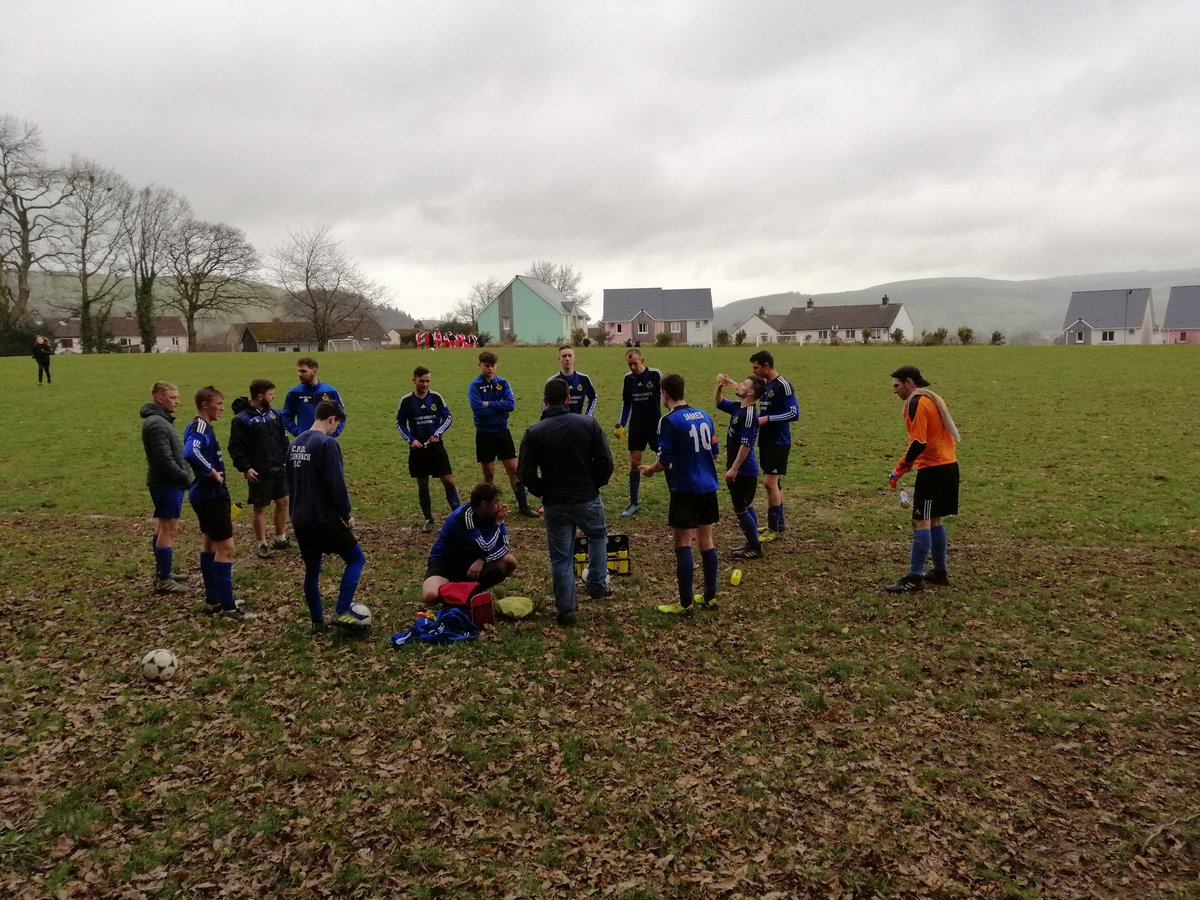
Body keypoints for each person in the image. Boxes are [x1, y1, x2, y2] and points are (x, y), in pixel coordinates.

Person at [517, 378, 614, 626]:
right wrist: (596, 484)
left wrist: (543, 491)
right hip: (587, 496)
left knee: (561, 557)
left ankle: (566, 610)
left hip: (555, 501)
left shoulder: (534, 432)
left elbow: (525, 473)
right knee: (597, 536)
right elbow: (606, 461)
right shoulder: (588, 423)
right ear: (569, 399)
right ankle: (597, 584)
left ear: (545, 402)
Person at [639, 374, 721, 614]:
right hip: (708, 487)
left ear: (664, 393)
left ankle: (685, 603)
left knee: (683, 543)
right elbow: (714, 453)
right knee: (706, 542)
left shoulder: (669, 421)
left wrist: (650, 470)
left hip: (685, 489)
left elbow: (664, 461)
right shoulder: (704, 415)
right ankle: (710, 597)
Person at [287, 400, 368, 631]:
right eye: (337, 424)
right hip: (323, 518)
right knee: (356, 559)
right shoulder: (327, 444)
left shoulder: (295, 443)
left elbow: (290, 480)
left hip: (300, 518)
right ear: (331, 419)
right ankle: (342, 610)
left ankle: (317, 622)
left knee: (312, 569)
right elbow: (336, 483)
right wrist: (346, 513)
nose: (336, 429)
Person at [885, 365, 961, 593]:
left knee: (921, 520)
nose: (894, 391)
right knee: (935, 519)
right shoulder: (933, 398)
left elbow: (918, 443)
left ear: (909, 382)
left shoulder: (917, 403)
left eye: (897, 386)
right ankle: (939, 572)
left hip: (934, 471)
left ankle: (914, 578)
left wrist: (899, 470)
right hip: (949, 466)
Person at [183, 385, 255, 620]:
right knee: (226, 548)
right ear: (205, 405)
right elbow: (190, 452)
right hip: (210, 496)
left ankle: (214, 599)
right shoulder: (200, 426)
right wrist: (212, 471)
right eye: (219, 404)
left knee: (209, 545)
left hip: (204, 496)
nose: (222, 408)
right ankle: (228, 607)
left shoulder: (199, 426)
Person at [421, 482, 517, 604]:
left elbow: (504, 545)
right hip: (446, 562)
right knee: (430, 596)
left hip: (471, 562)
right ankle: (453, 593)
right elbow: (485, 546)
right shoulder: (465, 518)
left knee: (508, 562)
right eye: (496, 502)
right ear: (484, 504)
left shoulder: (493, 514)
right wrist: (497, 523)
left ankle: (469, 593)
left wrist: (483, 560)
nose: (499, 506)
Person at [468, 351, 538, 517]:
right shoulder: (474, 386)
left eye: (493, 365)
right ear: (480, 365)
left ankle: (523, 505)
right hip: (484, 434)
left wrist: (488, 404)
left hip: (502, 432)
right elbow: (478, 409)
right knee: (489, 473)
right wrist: (498, 404)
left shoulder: (503, 383)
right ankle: (488, 507)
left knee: (514, 470)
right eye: (486, 365)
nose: (490, 369)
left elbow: (511, 404)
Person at [228, 379, 292, 559]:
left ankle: (280, 538)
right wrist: (246, 468)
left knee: (283, 502)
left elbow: (283, 438)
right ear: (260, 396)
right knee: (260, 507)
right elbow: (236, 448)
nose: (274, 397)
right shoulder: (242, 420)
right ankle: (261, 543)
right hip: (259, 472)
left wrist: (286, 458)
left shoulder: (275, 414)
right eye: (271, 394)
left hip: (278, 468)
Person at [140, 381, 192, 595]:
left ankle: (164, 572)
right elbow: (164, 460)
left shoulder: (161, 421)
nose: (177, 402)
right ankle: (163, 579)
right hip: (167, 484)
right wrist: (185, 478)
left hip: (167, 483)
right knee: (168, 528)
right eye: (173, 398)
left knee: (163, 527)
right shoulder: (156, 425)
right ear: (159, 399)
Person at [396, 366, 461, 532]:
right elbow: (400, 423)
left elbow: (448, 417)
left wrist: (437, 433)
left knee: (448, 480)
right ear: (414, 380)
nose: (425, 384)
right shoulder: (406, 401)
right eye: (421, 381)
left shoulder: (436, 397)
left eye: (427, 381)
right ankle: (429, 519)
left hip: (436, 446)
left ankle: (458, 515)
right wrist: (411, 440)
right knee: (423, 484)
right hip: (418, 448)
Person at [715, 373, 767, 560]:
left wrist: (734, 468)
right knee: (747, 504)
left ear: (750, 392)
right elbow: (719, 403)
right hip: (740, 469)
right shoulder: (739, 408)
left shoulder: (749, 415)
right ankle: (753, 541)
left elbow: (746, 445)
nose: (739, 385)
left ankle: (754, 547)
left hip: (744, 471)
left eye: (744, 384)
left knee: (740, 508)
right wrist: (721, 386)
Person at [749, 350, 799, 542]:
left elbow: (793, 413)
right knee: (775, 482)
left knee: (769, 482)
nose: (754, 372)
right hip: (767, 441)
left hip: (779, 441)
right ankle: (779, 522)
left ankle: (772, 529)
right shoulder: (765, 385)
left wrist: (767, 419)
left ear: (766, 366)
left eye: (756, 368)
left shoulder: (783, 386)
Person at [616, 348, 663, 518]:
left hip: (655, 425)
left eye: (635, 363)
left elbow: (668, 395)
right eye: (630, 365)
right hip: (637, 426)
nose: (633, 367)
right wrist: (621, 423)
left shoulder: (656, 375)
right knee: (635, 462)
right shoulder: (628, 379)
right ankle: (634, 503)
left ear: (642, 360)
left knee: (666, 460)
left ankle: (677, 495)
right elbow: (626, 403)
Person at [282, 357, 345, 438]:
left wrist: (333, 434)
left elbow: (341, 415)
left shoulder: (331, 391)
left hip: (325, 440)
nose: (300, 374)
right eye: (299, 371)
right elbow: (286, 416)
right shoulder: (294, 393)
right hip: (304, 441)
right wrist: (298, 433)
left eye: (304, 371)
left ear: (314, 372)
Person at [546, 345, 597, 417]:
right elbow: (545, 403)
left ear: (574, 358)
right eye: (564, 356)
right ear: (559, 359)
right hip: (559, 423)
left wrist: (589, 415)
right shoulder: (552, 381)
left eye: (570, 356)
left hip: (577, 423)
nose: (567, 358)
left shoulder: (584, 378)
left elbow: (593, 398)